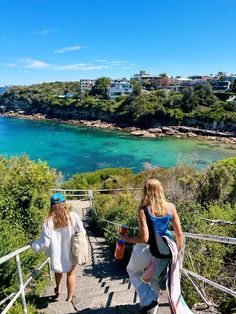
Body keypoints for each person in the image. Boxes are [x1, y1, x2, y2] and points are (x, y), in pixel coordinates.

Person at [119, 178, 183, 314]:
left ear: (146, 192)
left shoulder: (143, 210)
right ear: (160, 190)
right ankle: (151, 310)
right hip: (163, 251)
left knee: (132, 271)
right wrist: (176, 252)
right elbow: (179, 234)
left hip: (145, 249)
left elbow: (144, 238)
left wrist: (125, 238)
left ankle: (148, 300)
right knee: (155, 278)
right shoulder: (171, 207)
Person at [30, 192, 86, 301]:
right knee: (71, 274)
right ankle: (69, 298)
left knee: (58, 271)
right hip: (71, 251)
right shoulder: (72, 216)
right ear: (64, 203)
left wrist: (33, 244)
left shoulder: (48, 221)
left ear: (51, 205)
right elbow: (82, 232)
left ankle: (58, 289)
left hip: (56, 254)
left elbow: (43, 243)